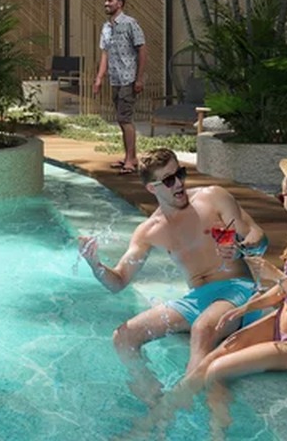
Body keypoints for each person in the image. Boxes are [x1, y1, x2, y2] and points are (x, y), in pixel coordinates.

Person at [138, 155, 287, 438]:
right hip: (277, 321)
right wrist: (244, 308)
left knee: (217, 371)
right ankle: (156, 423)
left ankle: (214, 435)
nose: (280, 200)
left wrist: (279, 276)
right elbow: (281, 293)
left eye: (282, 195)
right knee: (213, 357)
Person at [77, 148, 269, 403]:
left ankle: (181, 407)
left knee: (202, 328)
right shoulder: (150, 231)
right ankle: (153, 397)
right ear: (152, 189)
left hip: (238, 289)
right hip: (197, 300)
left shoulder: (213, 198)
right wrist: (95, 265)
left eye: (180, 173)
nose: (178, 183)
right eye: (169, 180)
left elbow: (259, 238)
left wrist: (242, 248)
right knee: (123, 338)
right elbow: (119, 282)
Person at [92, 0, 146, 173]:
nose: (106, 3)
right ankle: (129, 157)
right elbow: (105, 54)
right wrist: (99, 78)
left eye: (110, 1)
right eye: (105, 0)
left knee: (125, 119)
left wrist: (139, 79)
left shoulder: (131, 24)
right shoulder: (106, 27)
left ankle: (131, 160)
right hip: (114, 79)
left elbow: (142, 50)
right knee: (121, 119)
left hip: (128, 79)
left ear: (120, 3)